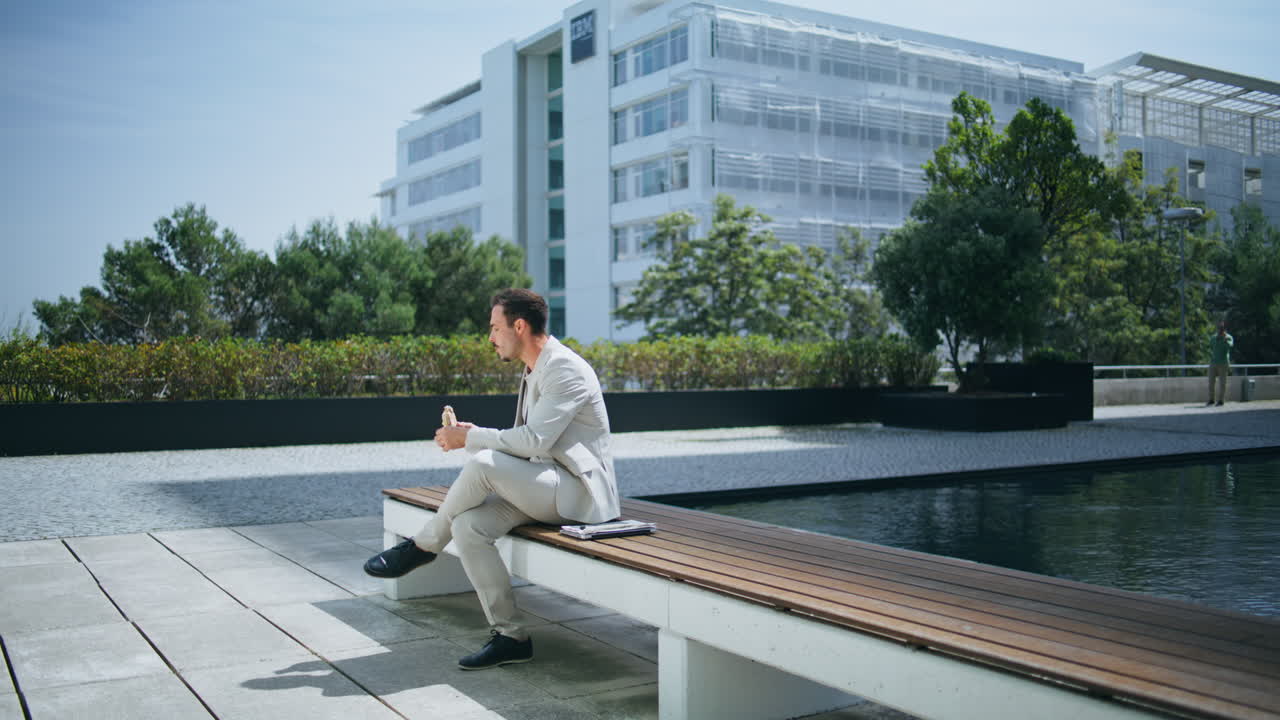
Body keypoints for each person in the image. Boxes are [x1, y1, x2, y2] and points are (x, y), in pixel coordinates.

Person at [363, 288, 619, 669]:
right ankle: (510, 636)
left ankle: (423, 546)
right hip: (545, 484)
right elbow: (528, 443)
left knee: (482, 463)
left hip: (579, 494)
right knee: (467, 526)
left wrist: (471, 439)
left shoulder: (564, 368)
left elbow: (534, 440)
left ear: (520, 326)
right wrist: (473, 433)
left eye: (496, 328)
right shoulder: (535, 369)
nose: (490, 337)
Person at [1207, 320, 1234, 407]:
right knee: (1211, 382)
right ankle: (1211, 399)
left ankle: (1221, 400)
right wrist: (1217, 339)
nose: (1220, 330)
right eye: (1219, 328)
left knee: (1222, 383)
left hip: (1223, 363)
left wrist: (1224, 339)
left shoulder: (1229, 337)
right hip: (1213, 362)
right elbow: (1211, 346)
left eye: (1222, 328)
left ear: (1225, 329)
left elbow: (1230, 346)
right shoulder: (1213, 337)